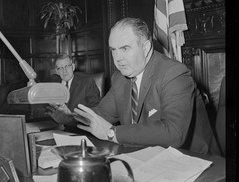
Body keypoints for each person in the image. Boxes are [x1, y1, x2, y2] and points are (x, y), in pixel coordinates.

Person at [49, 18, 214, 154]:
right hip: (144, 156)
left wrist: (112, 133)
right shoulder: (120, 78)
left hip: (191, 161)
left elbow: (174, 133)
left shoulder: (174, 74)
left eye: (125, 48)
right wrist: (68, 117)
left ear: (146, 47)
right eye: (113, 50)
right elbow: (100, 116)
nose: (117, 58)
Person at [45, 53, 101, 123]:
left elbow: (95, 110)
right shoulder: (53, 83)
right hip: (55, 127)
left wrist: (72, 116)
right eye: (60, 68)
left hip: (77, 128)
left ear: (73, 67)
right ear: (57, 71)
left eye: (67, 66)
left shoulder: (87, 82)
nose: (64, 71)